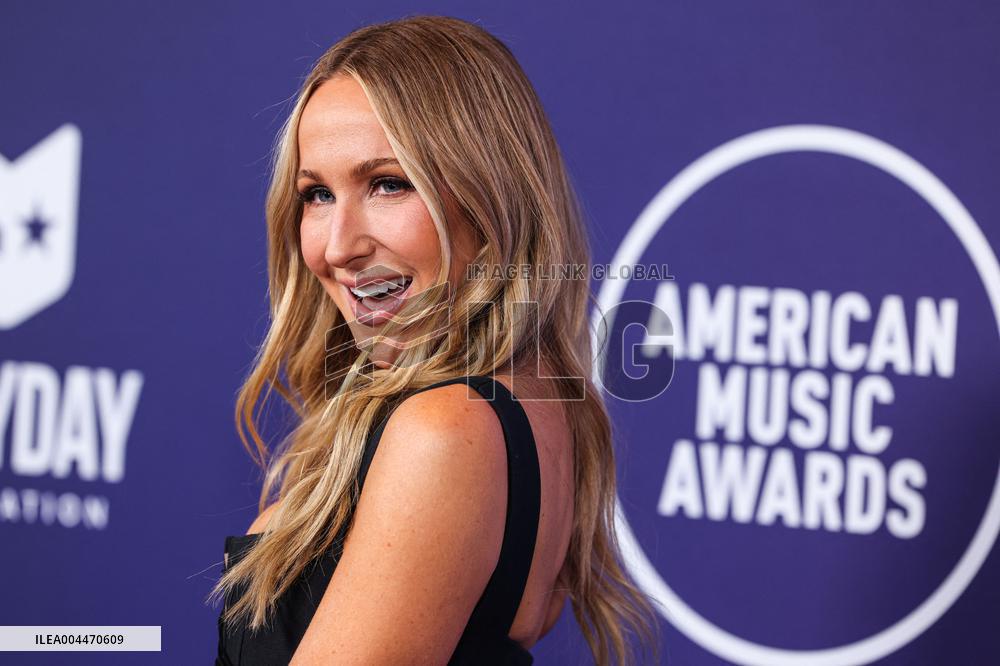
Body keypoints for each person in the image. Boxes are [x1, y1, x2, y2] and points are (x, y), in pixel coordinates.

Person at [208, 15, 661, 665]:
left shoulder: (446, 428)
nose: (338, 247)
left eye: (388, 183)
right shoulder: (520, 402)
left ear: (489, 194)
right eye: (316, 195)